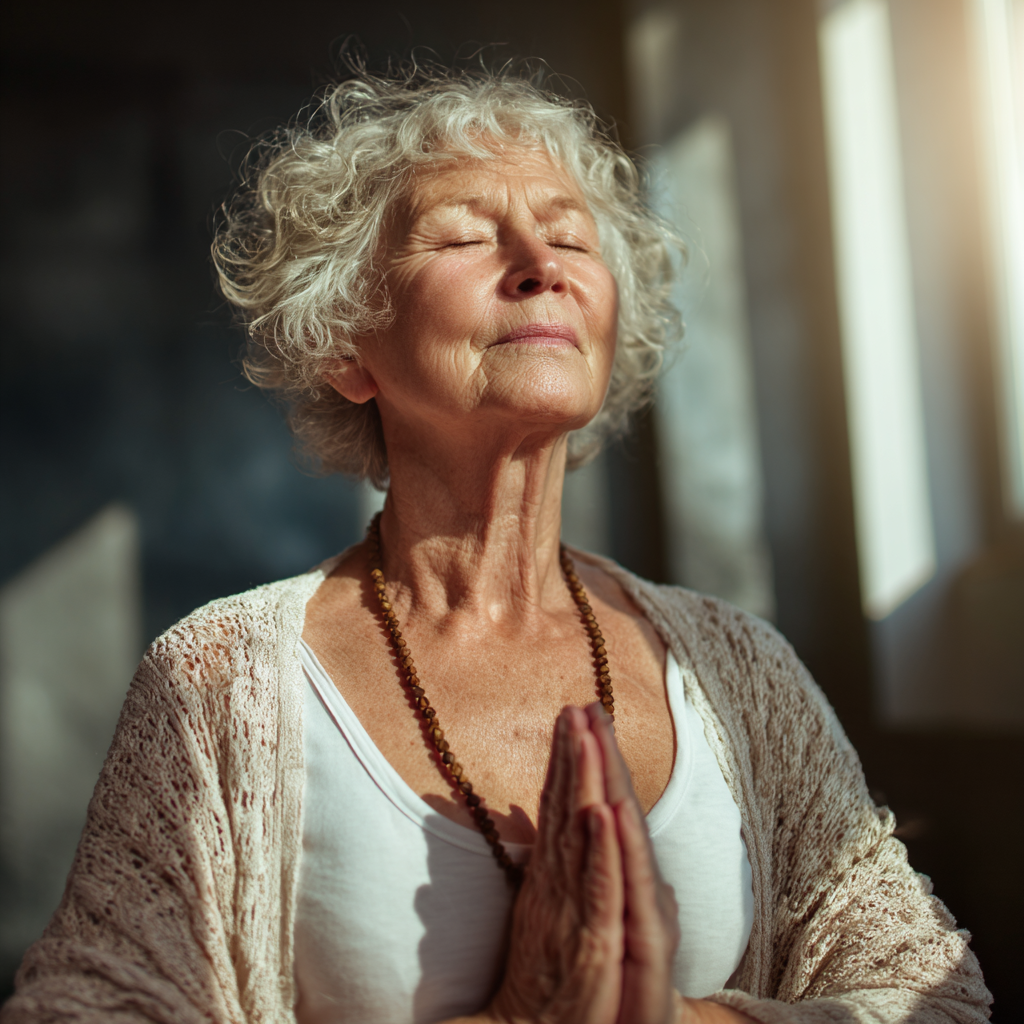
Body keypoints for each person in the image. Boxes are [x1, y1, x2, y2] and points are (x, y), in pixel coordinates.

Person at [3, 69, 990, 1024]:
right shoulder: (219, 680)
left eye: (570, 236)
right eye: (467, 237)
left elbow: (930, 998)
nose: (539, 261)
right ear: (350, 345)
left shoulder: (740, 672)